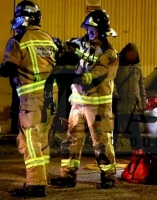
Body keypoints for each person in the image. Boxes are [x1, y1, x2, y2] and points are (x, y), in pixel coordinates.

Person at [48, 9, 119, 189]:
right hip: (78, 102)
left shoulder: (109, 53)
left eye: (92, 29)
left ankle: (108, 176)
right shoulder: (80, 42)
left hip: (98, 106)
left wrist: (80, 77)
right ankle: (67, 176)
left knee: (101, 141)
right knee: (72, 139)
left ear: (102, 31)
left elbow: (99, 73)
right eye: (88, 28)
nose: (89, 32)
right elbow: (69, 50)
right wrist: (59, 47)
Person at [0, 1, 58, 197]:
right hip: (51, 96)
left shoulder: (18, 40)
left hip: (32, 97)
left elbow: (8, 68)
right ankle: (41, 178)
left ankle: (35, 184)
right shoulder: (47, 39)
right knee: (42, 139)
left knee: (30, 140)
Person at [113, 43, 146, 150]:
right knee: (114, 133)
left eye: (133, 54)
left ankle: (138, 157)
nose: (131, 57)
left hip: (133, 107)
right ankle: (109, 156)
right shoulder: (117, 66)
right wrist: (114, 97)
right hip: (119, 106)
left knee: (135, 133)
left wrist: (142, 103)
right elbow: (111, 82)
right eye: (129, 54)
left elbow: (141, 86)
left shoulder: (138, 68)